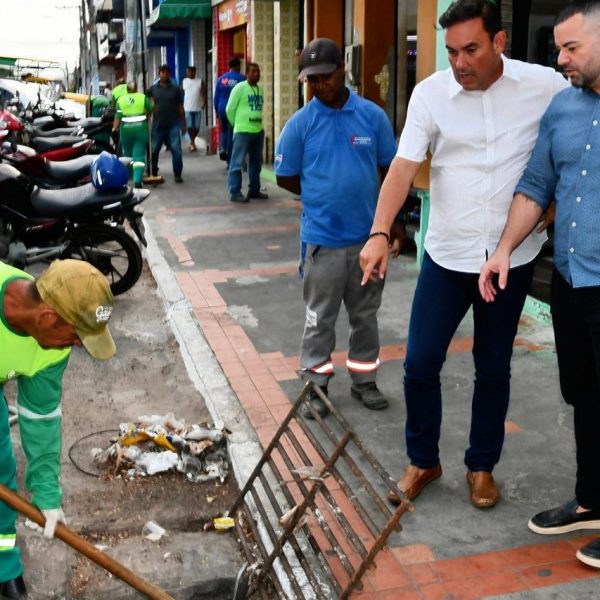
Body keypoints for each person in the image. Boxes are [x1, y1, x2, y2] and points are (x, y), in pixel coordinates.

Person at [359, 0, 567, 508]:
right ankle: (423, 460)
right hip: (447, 257)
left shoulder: (546, 86)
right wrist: (380, 232)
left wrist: (558, 203)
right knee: (419, 363)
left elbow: (577, 140)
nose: (460, 63)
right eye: (451, 51)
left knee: (493, 367)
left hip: (510, 261)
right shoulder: (431, 95)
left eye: (471, 49)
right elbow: (404, 169)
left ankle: (482, 465)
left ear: (500, 42)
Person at [479, 0, 600, 567]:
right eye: (559, 47)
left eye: (572, 47)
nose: (561, 58)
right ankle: (592, 499)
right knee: (584, 394)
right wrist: (503, 250)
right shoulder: (563, 110)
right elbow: (535, 184)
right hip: (572, 282)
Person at [275, 38, 398, 419]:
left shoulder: (372, 117)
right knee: (319, 317)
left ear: (342, 70)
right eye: (312, 80)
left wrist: (390, 227)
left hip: (367, 242)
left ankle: (364, 381)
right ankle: (316, 385)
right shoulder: (300, 124)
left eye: (325, 77)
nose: (319, 85)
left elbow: (389, 170)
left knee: (365, 316)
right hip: (322, 243)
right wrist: (320, 196)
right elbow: (286, 177)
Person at [0, 259, 116, 598]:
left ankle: (3, 562)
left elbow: (41, 417)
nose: (77, 345)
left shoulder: (52, 348)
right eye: (77, 335)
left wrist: (47, 493)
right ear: (48, 317)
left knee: (2, 466)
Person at [226, 62, 267, 203]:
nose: (257, 74)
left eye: (258, 71)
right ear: (247, 74)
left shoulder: (260, 89)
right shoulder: (239, 88)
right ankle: (235, 192)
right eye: (253, 71)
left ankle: (254, 190)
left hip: (258, 131)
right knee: (237, 163)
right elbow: (229, 109)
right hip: (243, 131)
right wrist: (236, 124)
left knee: (256, 163)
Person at [146, 64, 186, 183]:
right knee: (154, 150)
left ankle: (177, 174)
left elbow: (180, 106)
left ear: (169, 74)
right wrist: (147, 116)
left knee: (176, 150)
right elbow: (147, 104)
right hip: (157, 124)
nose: (164, 74)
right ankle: (153, 171)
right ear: (159, 74)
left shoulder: (176, 89)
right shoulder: (153, 89)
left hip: (173, 124)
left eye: (167, 72)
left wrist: (183, 124)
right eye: (162, 72)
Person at [112, 81, 153, 188]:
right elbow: (151, 107)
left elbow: (118, 117)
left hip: (126, 131)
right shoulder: (142, 97)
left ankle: (128, 177)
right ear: (136, 89)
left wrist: (114, 128)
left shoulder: (121, 100)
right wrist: (148, 114)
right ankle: (137, 179)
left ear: (127, 89)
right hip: (141, 130)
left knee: (128, 155)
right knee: (139, 155)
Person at [213, 57, 245, 164]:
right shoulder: (242, 79)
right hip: (235, 110)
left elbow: (216, 97)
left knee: (224, 130)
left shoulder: (221, 79)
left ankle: (223, 148)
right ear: (237, 66)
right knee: (232, 133)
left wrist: (217, 110)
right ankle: (230, 160)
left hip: (222, 108)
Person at [181, 66, 206, 152]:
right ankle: (192, 143)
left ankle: (192, 141)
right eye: (188, 72)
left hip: (197, 107)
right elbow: (179, 93)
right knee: (190, 126)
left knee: (197, 127)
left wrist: (204, 102)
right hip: (187, 107)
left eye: (191, 72)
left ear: (195, 72)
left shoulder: (200, 81)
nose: (190, 73)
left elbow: (203, 93)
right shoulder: (184, 81)